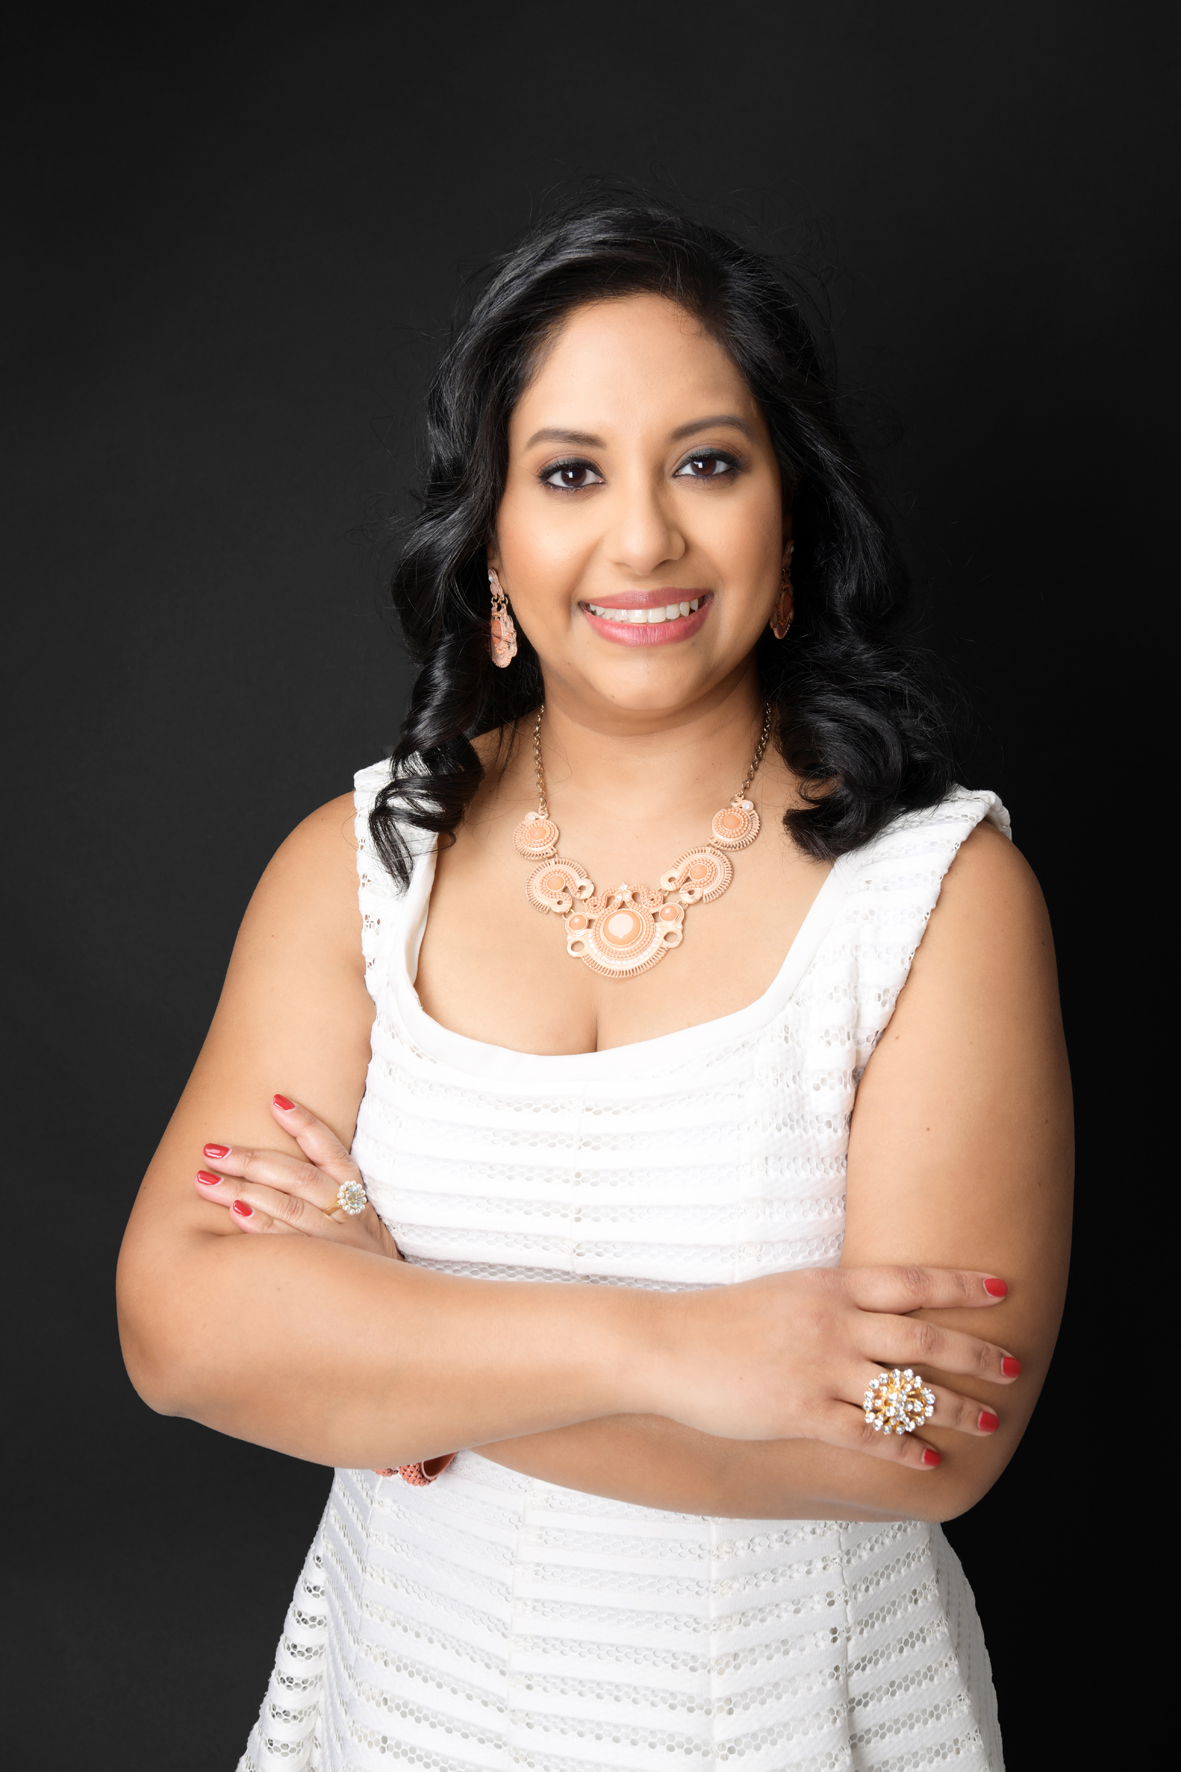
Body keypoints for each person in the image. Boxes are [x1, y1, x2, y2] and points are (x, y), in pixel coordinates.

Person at [117, 200, 1072, 1772]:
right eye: (570, 473)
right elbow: (178, 1333)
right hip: (399, 1714)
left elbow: (922, 1444)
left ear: (791, 522)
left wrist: (398, 1360)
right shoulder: (357, 867)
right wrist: (676, 1353)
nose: (641, 541)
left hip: (786, 1725)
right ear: (491, 538)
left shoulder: (938, 899)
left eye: (706, 463)